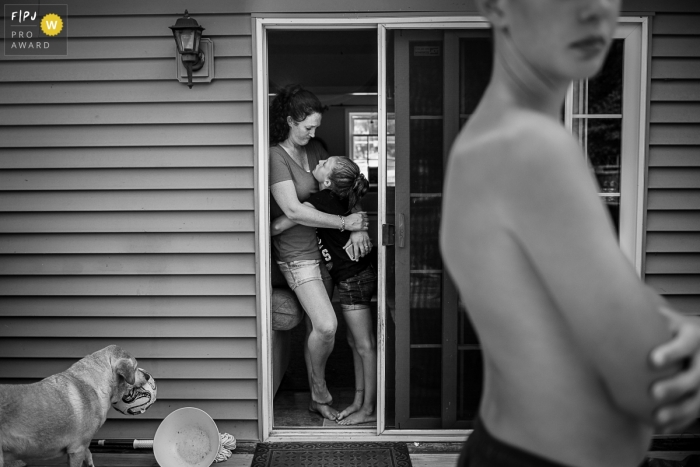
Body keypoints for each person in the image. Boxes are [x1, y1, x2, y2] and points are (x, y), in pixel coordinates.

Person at [440, 1, 700, 466]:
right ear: (495, 6)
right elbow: (653, 387)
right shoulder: (532, 146)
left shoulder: (482, 143)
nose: (596, 9)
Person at [269, 85, 373, 421]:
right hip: (297, 256)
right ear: (289, 120)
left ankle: (318, 392)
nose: (314, 134)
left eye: (315, 127)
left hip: (325, 253)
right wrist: (346, 223)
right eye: (307, 127)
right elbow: (294, 211)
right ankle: (319, 394)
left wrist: (358, 224)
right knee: (328, 326)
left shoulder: (315, 150)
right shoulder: (276, 156)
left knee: (322, 327)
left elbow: (342, 187)